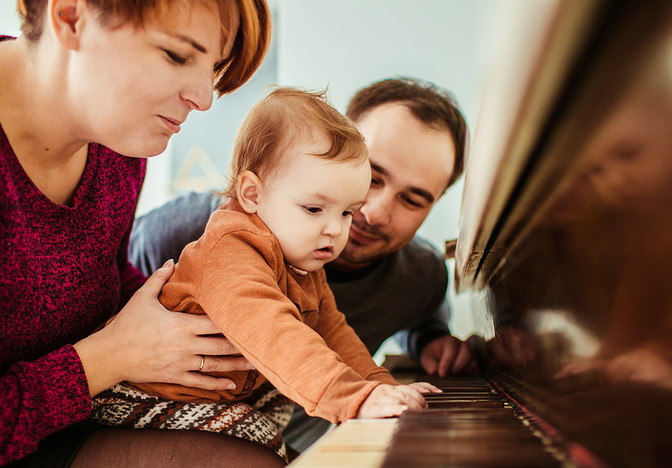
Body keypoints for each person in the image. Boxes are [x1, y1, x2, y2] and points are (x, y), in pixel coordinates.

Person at [129, 77, 480, 452]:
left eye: (412, 200)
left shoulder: (324, 261)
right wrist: (352, 397)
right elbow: (273, 329)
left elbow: (335, 330)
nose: (370, 215)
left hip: (248, 407)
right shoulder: (215, 239)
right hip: (151, 402)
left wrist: (380, 385)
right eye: (373, 178)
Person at [0, 0, 279, 466]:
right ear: (71, 16)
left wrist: (198, 317)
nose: (204, 98)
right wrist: (108, 358)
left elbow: (98, 274)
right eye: (176, 55)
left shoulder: (118, 142)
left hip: (68, 420)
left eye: (212, 66)